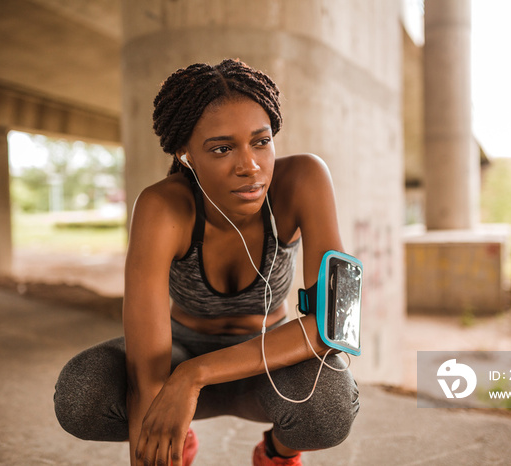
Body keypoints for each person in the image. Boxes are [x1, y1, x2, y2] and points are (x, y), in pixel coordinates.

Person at [54, 59, 359, 466]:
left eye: (261, 141)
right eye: (222, 148)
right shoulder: (162, 207)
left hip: (270, 358)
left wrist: (194, 376)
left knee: (330, 409)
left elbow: (334, 327)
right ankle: (178, 438)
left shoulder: (305, 179)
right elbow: (147, 376)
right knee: (81, 395)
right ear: (185, 154)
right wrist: (160, 440)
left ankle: (276, 454)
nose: (249, 165)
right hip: (177, 352)